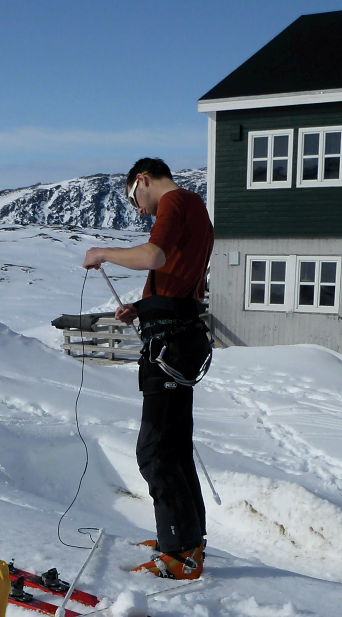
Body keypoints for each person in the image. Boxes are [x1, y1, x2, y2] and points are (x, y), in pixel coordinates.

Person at [82, 158, 214, 580]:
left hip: (170, 346)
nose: (139, 210)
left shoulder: (175, 201)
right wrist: (143, 308)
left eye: (133, 198)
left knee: (155, 451)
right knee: (174, 447)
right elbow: (183, 283)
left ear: (143, 179)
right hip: (180, 337)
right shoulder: (195, 208)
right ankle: (186, 541)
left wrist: (103, 252)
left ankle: (180, 553)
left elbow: (153, 255)